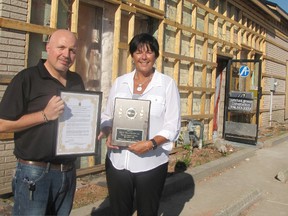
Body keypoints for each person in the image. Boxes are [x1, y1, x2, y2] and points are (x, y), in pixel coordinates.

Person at [0, 29, 85, 215]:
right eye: (61, 47)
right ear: (48, 47)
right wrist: (44, 115)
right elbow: (2, 124)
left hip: (68, 172)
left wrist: (89, 128)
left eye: (72, 50)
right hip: (34, 174)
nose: (66, 54)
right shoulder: (27, 78)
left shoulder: (76, 80)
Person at [98, 33, 181, 216]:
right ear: (132, 56)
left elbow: (172, 125)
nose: (143, 57)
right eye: (138, 52)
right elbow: (107, 115)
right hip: (118, 162)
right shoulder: (120, 83)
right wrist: (107, 130)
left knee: (148, 212)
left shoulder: (167, 85)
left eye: (149, 52)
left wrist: (151, 144)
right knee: (119, 212)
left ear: (156, 56)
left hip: (151, 164)